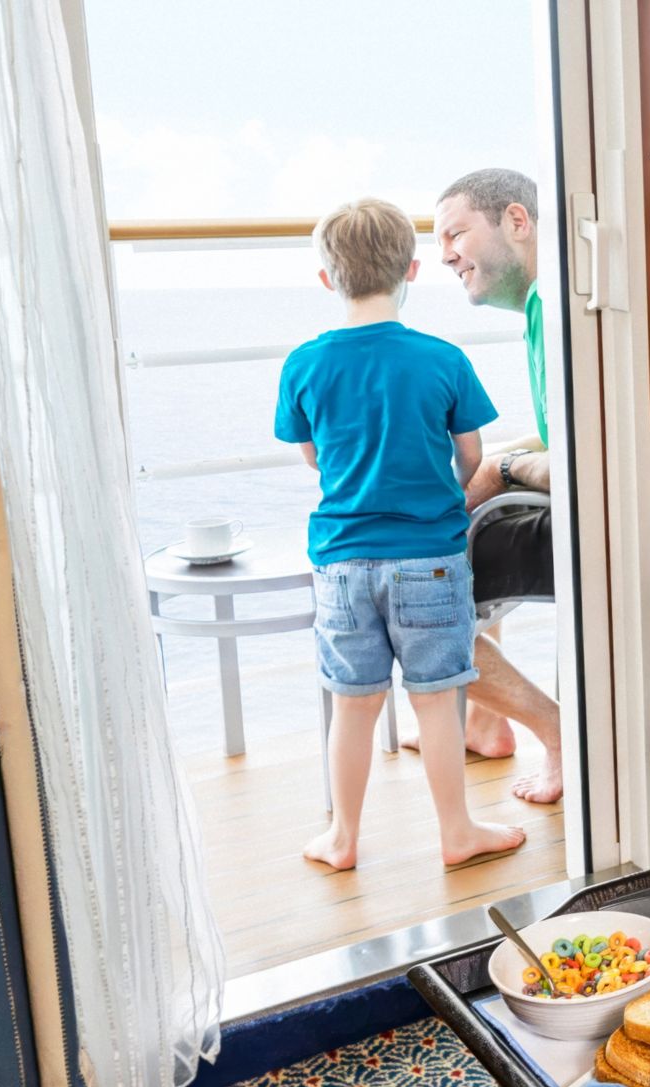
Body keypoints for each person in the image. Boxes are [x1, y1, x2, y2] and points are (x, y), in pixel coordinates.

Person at [428, 168, 650, 806]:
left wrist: (495, 474)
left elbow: (582, 467)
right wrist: (493, 466)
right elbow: (571, 440)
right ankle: (488, 718)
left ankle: (555, 732)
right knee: (472, 534)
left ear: (517, 222)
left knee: (426, 581)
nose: (444, 255)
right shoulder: (576, 299)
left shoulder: (570, 308)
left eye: (456, 233)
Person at [273, 198, 526, 873]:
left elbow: (313, 458)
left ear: (328, 279)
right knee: (437, 701)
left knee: (353, 705)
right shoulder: (441, 359)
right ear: (412, 268)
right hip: (431, 561)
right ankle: (457, 831)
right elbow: (471, 458)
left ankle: (342, 837)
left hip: (342, 562)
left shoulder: (304, 364)